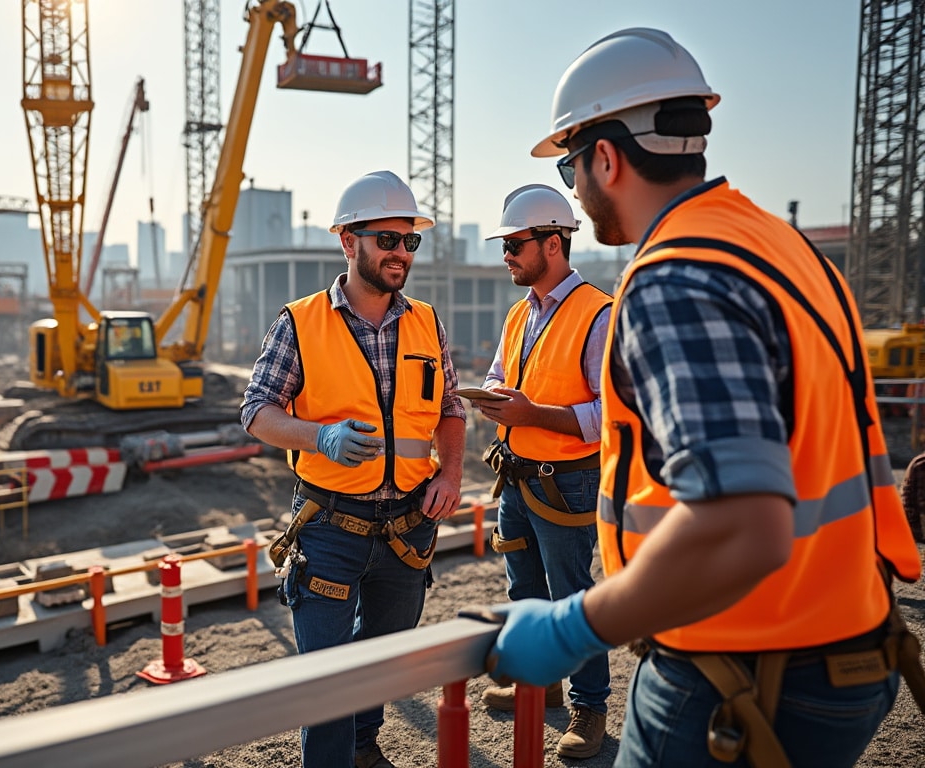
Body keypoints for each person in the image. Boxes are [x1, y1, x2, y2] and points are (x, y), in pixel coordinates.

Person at [481, 28, 924, 768]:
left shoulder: (675, 278)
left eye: (568, 166)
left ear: (606, 157)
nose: (575, 186)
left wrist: (573, 627)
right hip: (844, 634)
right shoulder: (779, 246)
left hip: (748, 664)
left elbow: (739, 527)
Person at [241, 169, 466, 768]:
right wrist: (320, 436)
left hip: (407, 528)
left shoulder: (426, 322)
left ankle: (364, 748)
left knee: (384, 659)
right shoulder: (300, 322)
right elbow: (257, 411)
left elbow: (449, 409)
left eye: (409, 241)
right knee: (327, 678)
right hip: (329, 527)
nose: (400, 253)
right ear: (349, 241)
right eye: (387, 240)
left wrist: (449, 474)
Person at [474, 184, 612, 758]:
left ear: (553, 243)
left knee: (573, 594)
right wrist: (489, 396)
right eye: (505, 245)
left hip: (568, 479)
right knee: (525, 587)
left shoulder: (598, 314)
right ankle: (542, 681)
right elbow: (500, 373)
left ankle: (590, 706)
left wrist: (535, 414)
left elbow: (612, 415)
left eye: (515, 244)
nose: (506, 254)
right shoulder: (518, 312)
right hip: (518, 473)